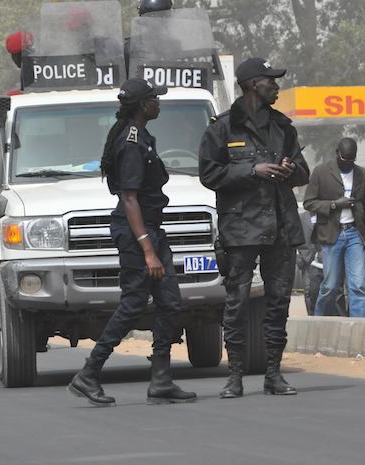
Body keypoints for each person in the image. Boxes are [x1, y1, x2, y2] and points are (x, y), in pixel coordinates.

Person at [67, 78, 196, 406]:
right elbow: (128, 198)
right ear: (142, 105)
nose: (158, 103)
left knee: (169, 302)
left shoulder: (141, 136)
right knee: (133, 304)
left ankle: (161, 380)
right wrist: (148, 250)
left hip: (151, 229)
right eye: (154, 98)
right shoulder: (131, 142)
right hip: (137, 233)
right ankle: (88, 374)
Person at [199, 57, 309, 398]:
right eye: (270, 81)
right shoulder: (222, 128)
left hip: (281, 227)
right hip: (241, 229)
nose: (276, 86)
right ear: (251, 85)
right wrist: (252, 171)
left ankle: (273, 375)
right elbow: (209, 174)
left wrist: (289, 169)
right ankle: (234, 377)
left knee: (278, 304)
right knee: (236, 304)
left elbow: (304, 173)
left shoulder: (284, 127)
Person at [303, 138, 365, 318]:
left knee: (358, 285)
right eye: (345, 159)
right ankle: (319, 321)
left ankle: (358, 327)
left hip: (354, 234)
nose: (348, 163)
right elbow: (309, 203)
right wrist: (335, 204)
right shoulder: (321, 172)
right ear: (337, 153)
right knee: (330, 286)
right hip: (331, 234)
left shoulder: (363, 175)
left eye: (352, 159)